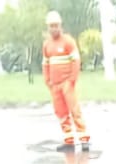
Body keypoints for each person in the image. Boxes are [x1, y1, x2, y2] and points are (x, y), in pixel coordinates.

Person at [43, 11, 88, 151]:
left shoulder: (68, 41)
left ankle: (84, 140)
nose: (54, 29)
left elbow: (76, 61)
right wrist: (48, 81)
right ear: (48, 27)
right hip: (55, 85)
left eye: (56, 25)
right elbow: (45, 64)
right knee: (61, 112)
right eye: (51, 26)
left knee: (74, 110)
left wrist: (72, 80)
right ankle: (69, 141)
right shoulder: (47, 45)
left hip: (67, 83)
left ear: (60, 26)